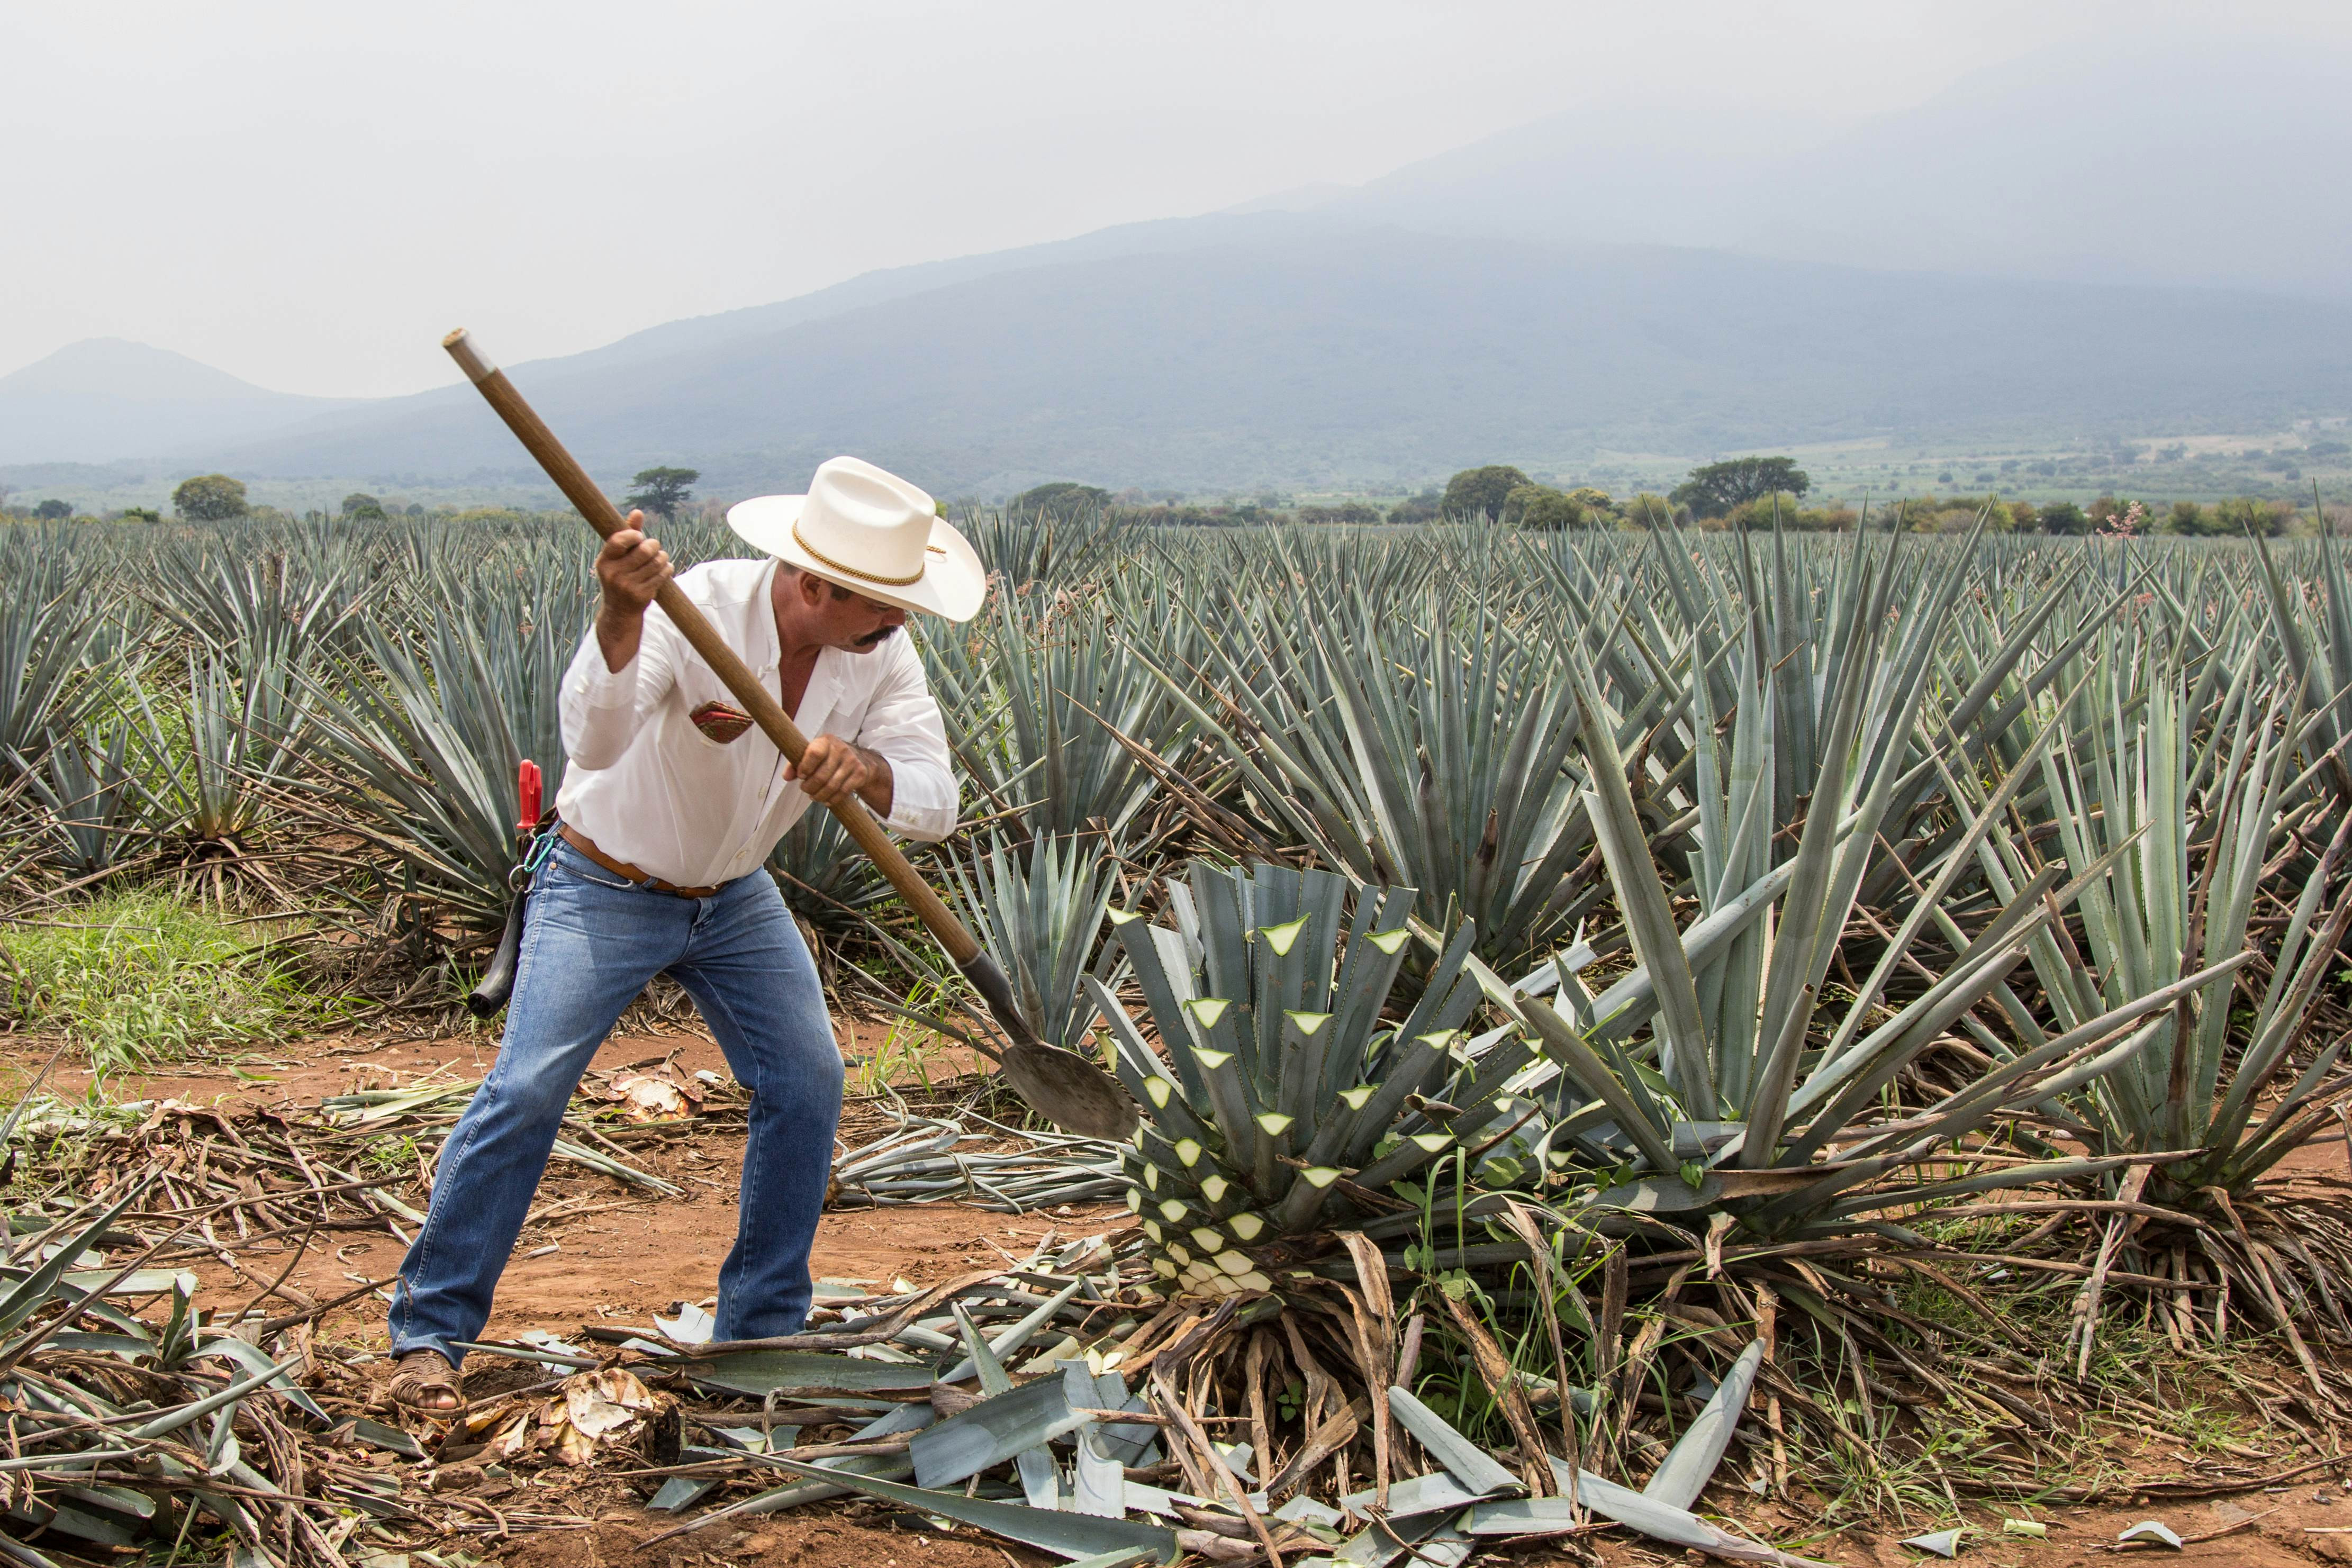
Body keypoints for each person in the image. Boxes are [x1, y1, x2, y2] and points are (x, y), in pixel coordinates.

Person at [387, 456, 985, 1412]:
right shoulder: (690, 606)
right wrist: (621, 619)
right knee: (531, 1085)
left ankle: (760, 1331)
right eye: (881, 602)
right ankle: (431, 1332)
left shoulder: (881, 655)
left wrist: (864, 770)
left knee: (808, 1078)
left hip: (736, 895)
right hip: (603, 882)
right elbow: (594, 740)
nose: (900, 619)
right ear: (814, 584)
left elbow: (935, 799)